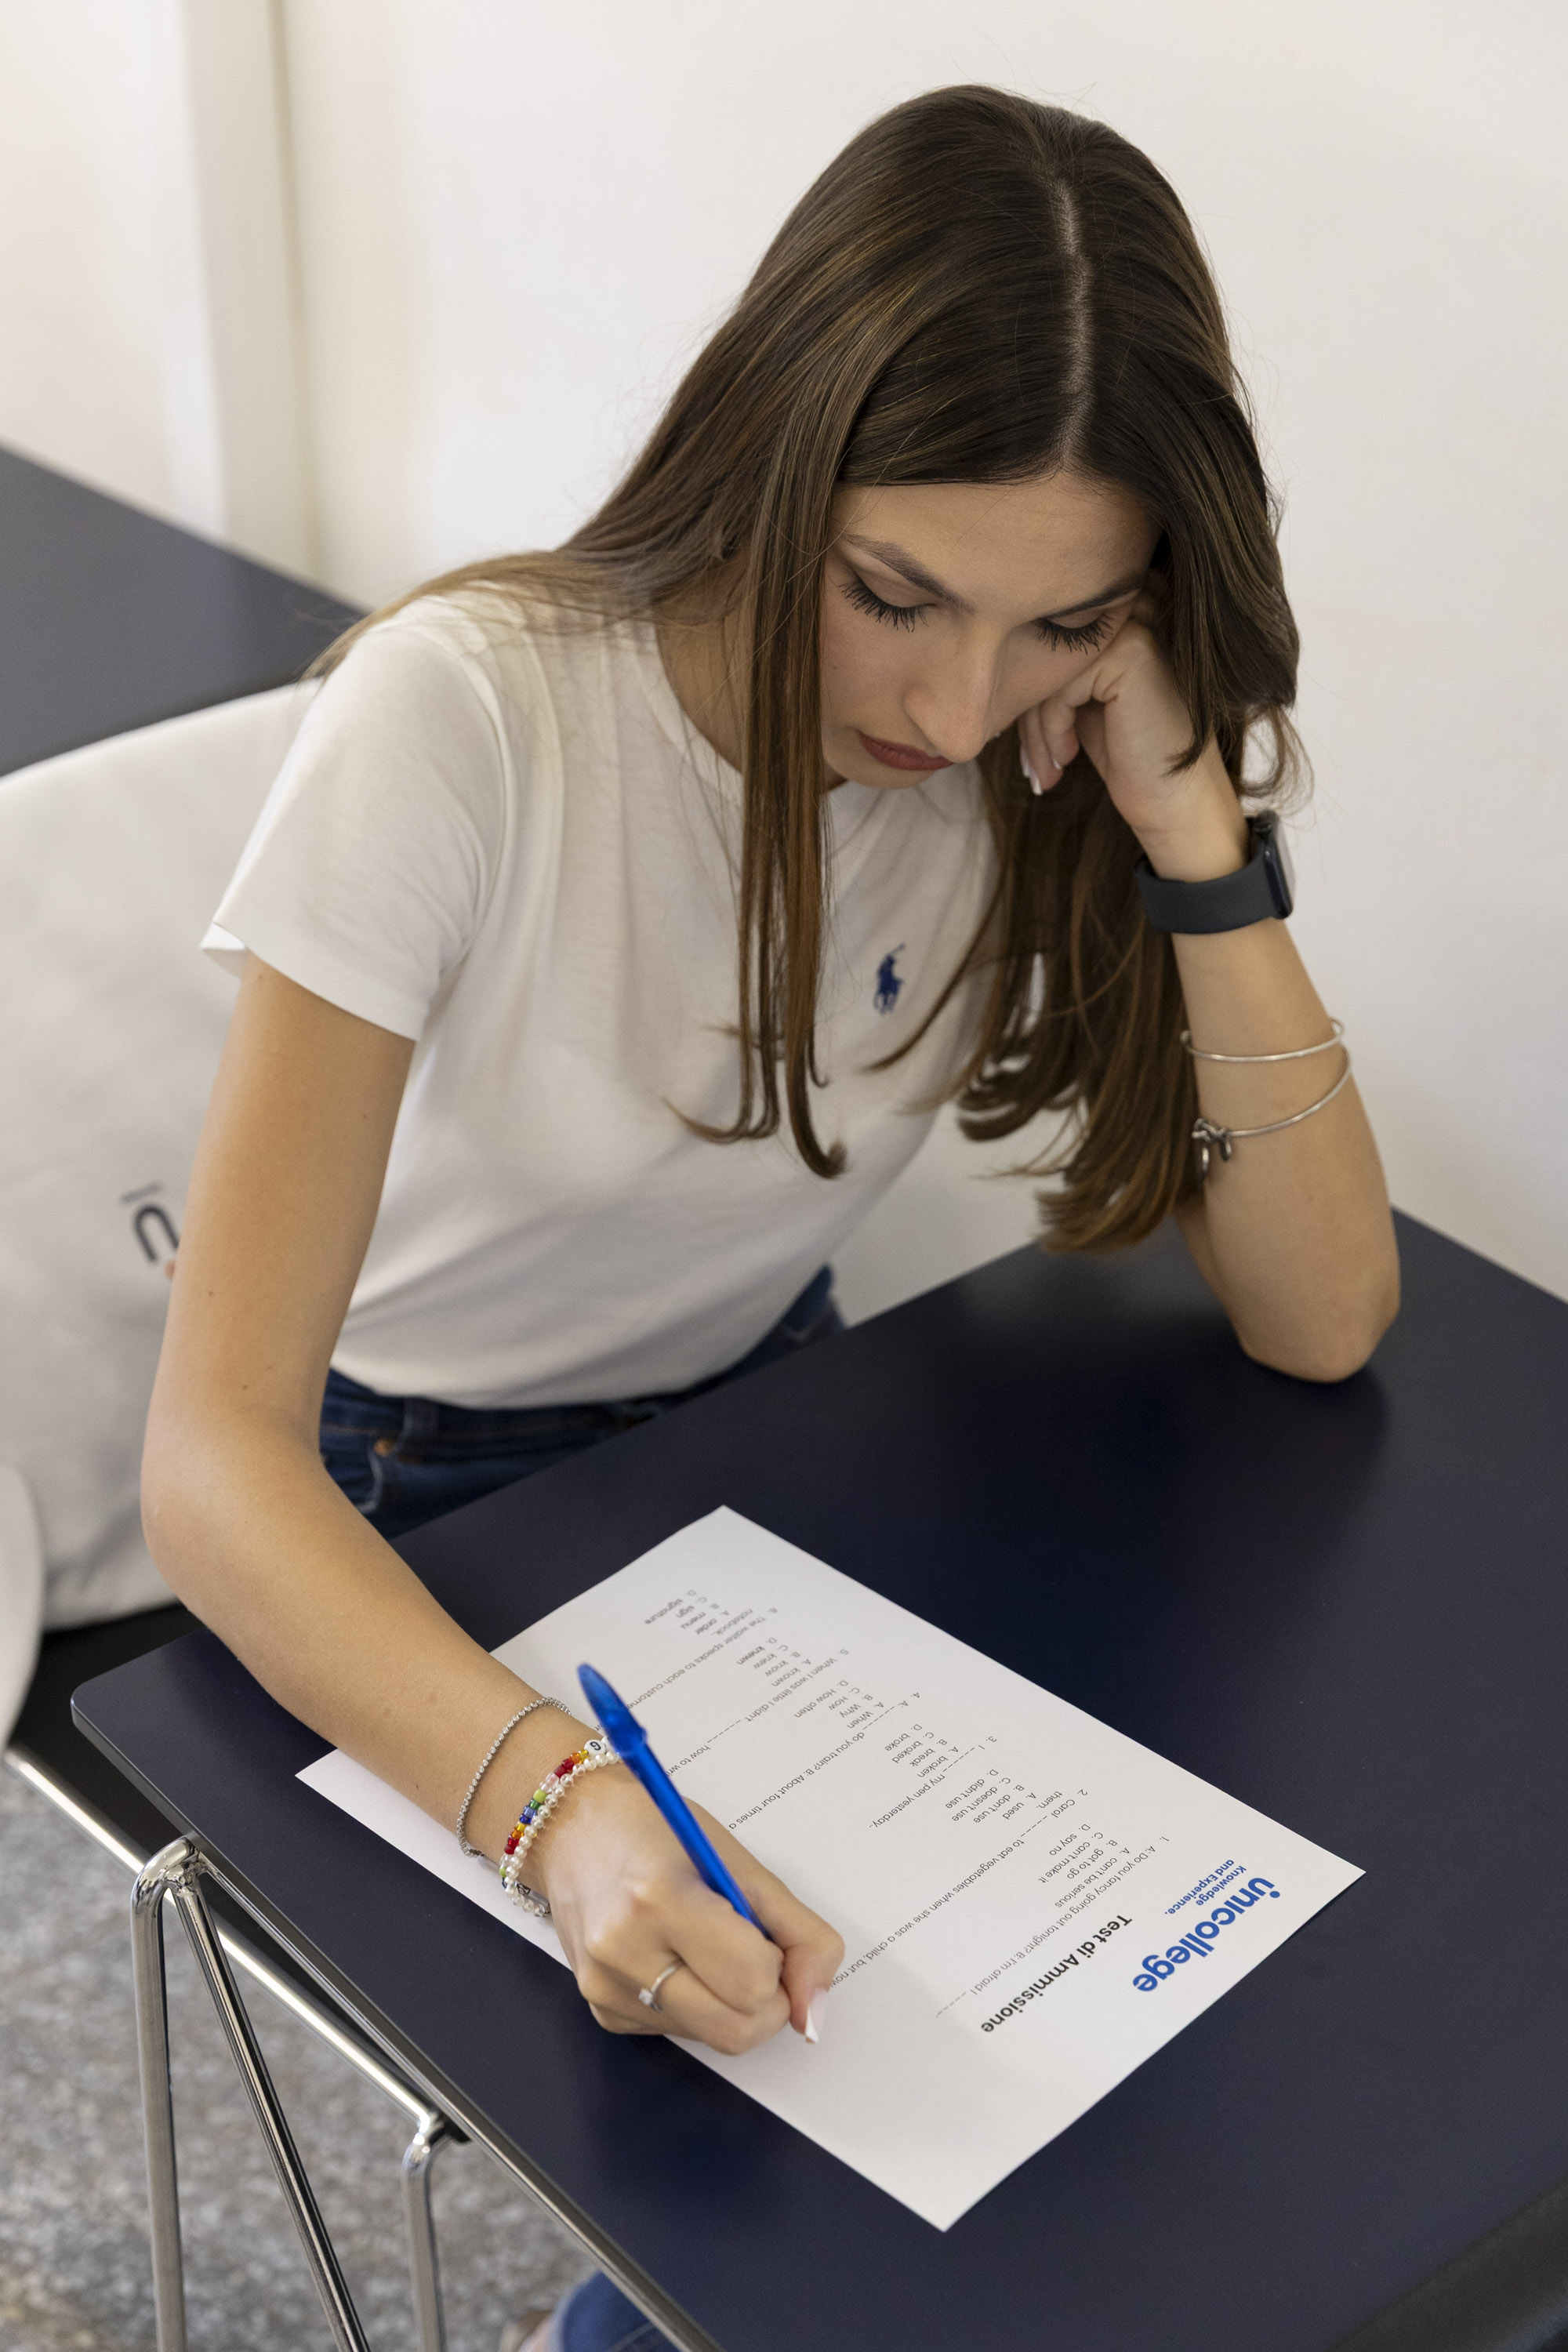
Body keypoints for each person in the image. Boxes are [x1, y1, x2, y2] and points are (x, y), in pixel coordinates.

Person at [142, 85, 1399, 2352]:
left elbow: (1323, 1321)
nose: (952, 700)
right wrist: (555, 1809)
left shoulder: (1034, 762)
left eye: (1059, 625)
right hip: (410, 1498)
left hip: (771, 1432)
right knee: (804, 2121)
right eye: (895, 594)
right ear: (777, 463)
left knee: (1135, 2068)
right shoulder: (472, 722)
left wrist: (1190, 824)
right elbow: (213, 1460)